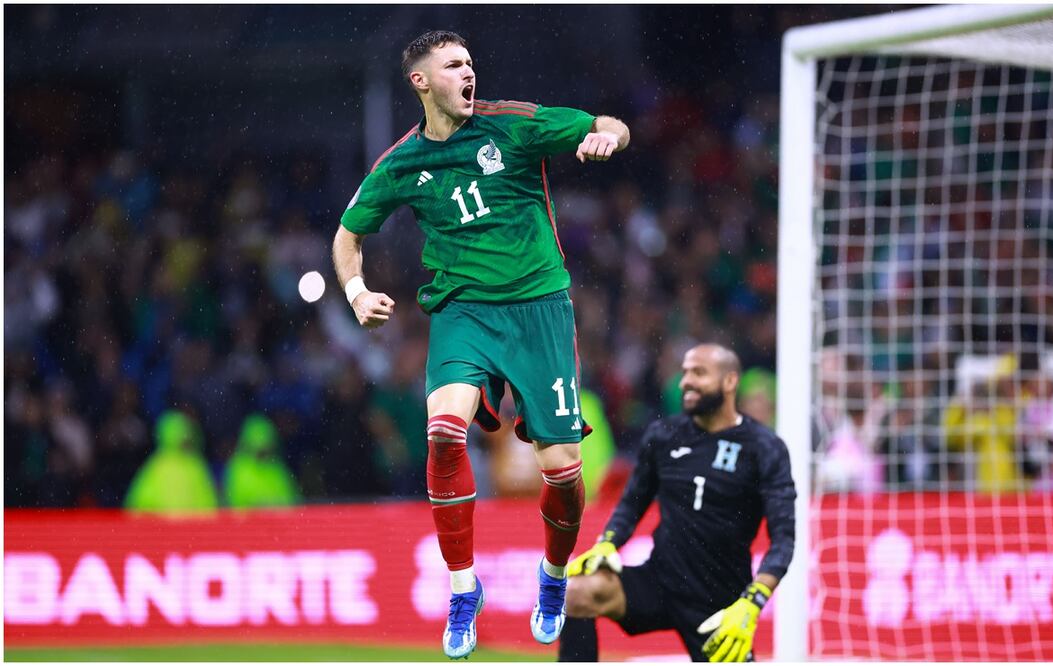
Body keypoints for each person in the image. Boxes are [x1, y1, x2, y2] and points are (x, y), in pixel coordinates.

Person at [331, 30, 630, 659]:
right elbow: (346, 235)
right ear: (422, 82)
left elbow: (607, 122)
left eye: (470, 63)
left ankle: (552, 575)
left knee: (563, 472)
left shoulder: (515, 125)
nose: (469, 73)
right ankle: (463, 588)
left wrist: (608, 136)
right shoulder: (402, 163)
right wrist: (357, 293)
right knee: (443, 432)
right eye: (453, 65)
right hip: (463, 313)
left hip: (539, 311)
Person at [557, 343, 796, 662]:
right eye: (685, 372)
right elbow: (632, 503)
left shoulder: (764, 447)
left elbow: (784, 540)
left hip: (720, 602)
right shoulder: (664, 435)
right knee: (578, 592)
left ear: (729, 382)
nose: (686, 381)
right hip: (660, 581)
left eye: (699, 373)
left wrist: (752, 602)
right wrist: (609, 543)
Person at [124, 410, 218, 514]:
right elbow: (208, 504)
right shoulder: (194, 464)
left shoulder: (156, 465)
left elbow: (138, 505)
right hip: (188, 528)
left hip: (165, 528)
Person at [223, 414, 301, 509]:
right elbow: (234, 505)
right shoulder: (237, 468)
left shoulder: (277, 468)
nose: (263, 452)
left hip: (276, 522)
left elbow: (291, 503)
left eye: (266, 448)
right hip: (249, 523)